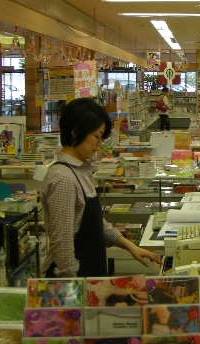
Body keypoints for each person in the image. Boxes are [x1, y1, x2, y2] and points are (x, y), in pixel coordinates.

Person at [41, 98, 160, 277]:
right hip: (74, 279)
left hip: (90, 272)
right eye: (96, 137)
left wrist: (130, 247)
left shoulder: (81, 170)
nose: (99, 144)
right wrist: (74, 285)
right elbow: (62, 243)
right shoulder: (63, 178)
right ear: (76, 132)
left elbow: (97, 224)